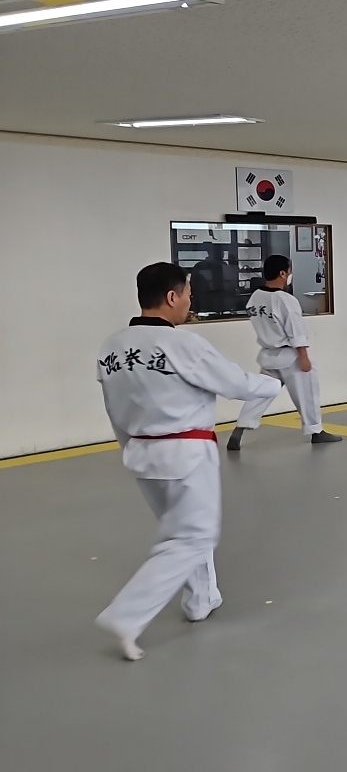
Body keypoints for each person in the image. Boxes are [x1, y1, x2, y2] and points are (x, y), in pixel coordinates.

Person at [94, 263, 282, 660]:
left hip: (142, 454)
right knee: (192, 537)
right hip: (185, 453)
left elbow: (113, 408)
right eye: (188, 296)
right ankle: (127, 616)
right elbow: (234, 383)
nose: (190, 304)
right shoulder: (181, 344)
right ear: (171, 296)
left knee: (183, 528)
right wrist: (273, 383)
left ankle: (201, 598)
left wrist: (129, 446)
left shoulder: (112, 347)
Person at [228, 255, 343, 449]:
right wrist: (304, 357)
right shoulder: (285, 300)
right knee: (307, 394)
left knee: (261, 393)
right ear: (282, 273)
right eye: (289, 271)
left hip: (269, 355)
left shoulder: (256, 297)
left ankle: (240, 429)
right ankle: (316, 431)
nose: (290, 274)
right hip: (290, 356)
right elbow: (296, 331)